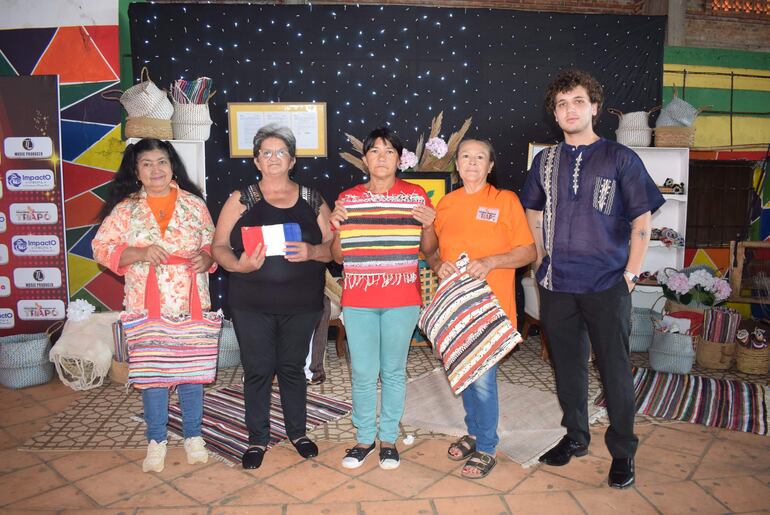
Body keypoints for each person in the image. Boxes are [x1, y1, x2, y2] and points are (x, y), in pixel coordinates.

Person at [519, 69, 664, 489]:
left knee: (615, 370)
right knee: (567, 368)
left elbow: (642, 218)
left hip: (607, 285)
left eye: (578, 101)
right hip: (558, 284)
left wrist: (632, 273)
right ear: (555, 112)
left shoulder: (621, 158)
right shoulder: (544, 161)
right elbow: (532, 207)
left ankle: (623, 452)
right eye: (562, 104)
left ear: (594, 108)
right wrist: (542, 253)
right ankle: (575, 437)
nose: (570, 109)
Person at [212, 124, 333, 470]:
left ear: (292, 160)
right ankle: (257, 438)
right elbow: (218, 246)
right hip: (251, 304)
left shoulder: (313, 198)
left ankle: (298, 432)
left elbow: (334, 250)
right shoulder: (241, 199)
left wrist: (312, 251)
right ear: (256, 161)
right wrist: (239, 264)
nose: (274, 158)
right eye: (266, 152)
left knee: (293, 369)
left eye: (281, 152)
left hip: (302, 304)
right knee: (258, 370)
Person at [92, 138, 216, 473]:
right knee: (153, 374)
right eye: (147, 163)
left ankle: (193, 436)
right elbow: (102, 247)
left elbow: (211, 242)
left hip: (190, 299)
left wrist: (207, 258)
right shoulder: (126, 209)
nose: (156, 169)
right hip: (146, 303)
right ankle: (156, 439)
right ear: (136, 170)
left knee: (192, 373)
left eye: (162, 161)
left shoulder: (194, 204)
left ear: (172, 165)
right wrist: (140, 253)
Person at [426, 138, 536, 479]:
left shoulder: (505, 201)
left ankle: (487, 445)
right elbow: (432, 251)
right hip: (456, 309)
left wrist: (491, 261)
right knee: (464, 372)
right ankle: (474, 433)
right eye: (465, 157)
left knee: (483, 379)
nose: (472, 163)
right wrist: (437, 264)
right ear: (456, 165)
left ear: (490, 166)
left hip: (492, 308)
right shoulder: (445, 204)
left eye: (480, 158)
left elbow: (529, 252)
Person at [330, 127, 437, 470]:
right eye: (374, 151)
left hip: (402, 297)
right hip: (359, 298)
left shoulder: (417, 196)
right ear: (365, 159)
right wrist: (335, 226)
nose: (381, 157)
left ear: (399, 159)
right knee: (363, 372)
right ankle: (364, 438)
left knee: (392, 371)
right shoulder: (348, 199)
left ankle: (388, 439)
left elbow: (429, 249)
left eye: (389, 151)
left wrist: (430, 225)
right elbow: (337, 256)